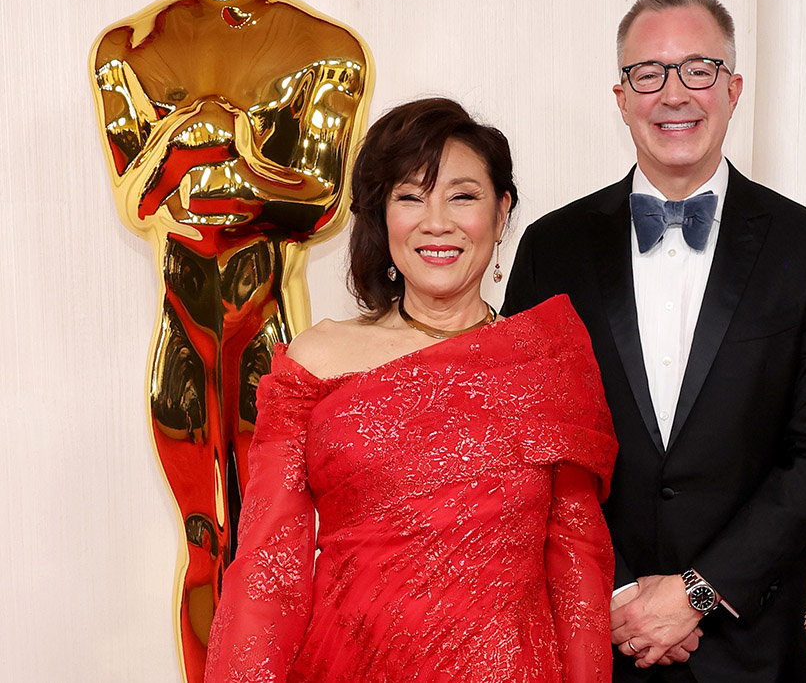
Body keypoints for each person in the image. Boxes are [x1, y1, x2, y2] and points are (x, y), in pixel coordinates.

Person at [505, 0, 806, 683]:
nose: (674, 94)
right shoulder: (551, 248)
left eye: (698, 70)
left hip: (755, 644)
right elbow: (530, 442)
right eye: (649, 74)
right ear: (621, 97)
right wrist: (618, 594)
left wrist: (699, 591)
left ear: (733, 89)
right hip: (594, 636)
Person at [203, 98, 618, 683]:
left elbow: (579, 572)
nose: (436, 222)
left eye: (462, 196)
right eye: (410, 197)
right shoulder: (315, 362)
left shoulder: (547, 359)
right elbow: (269, 569)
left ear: (502, 212)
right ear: (382, 216)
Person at [89, 0, 370, 675]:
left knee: (275, 545)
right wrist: (190, 136)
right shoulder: (128, 49)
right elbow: (138, 202)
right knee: (204, 538)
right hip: (182, 331)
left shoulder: (324, 48)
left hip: (269, 332)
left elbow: (321, 204)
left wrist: (228, 147)